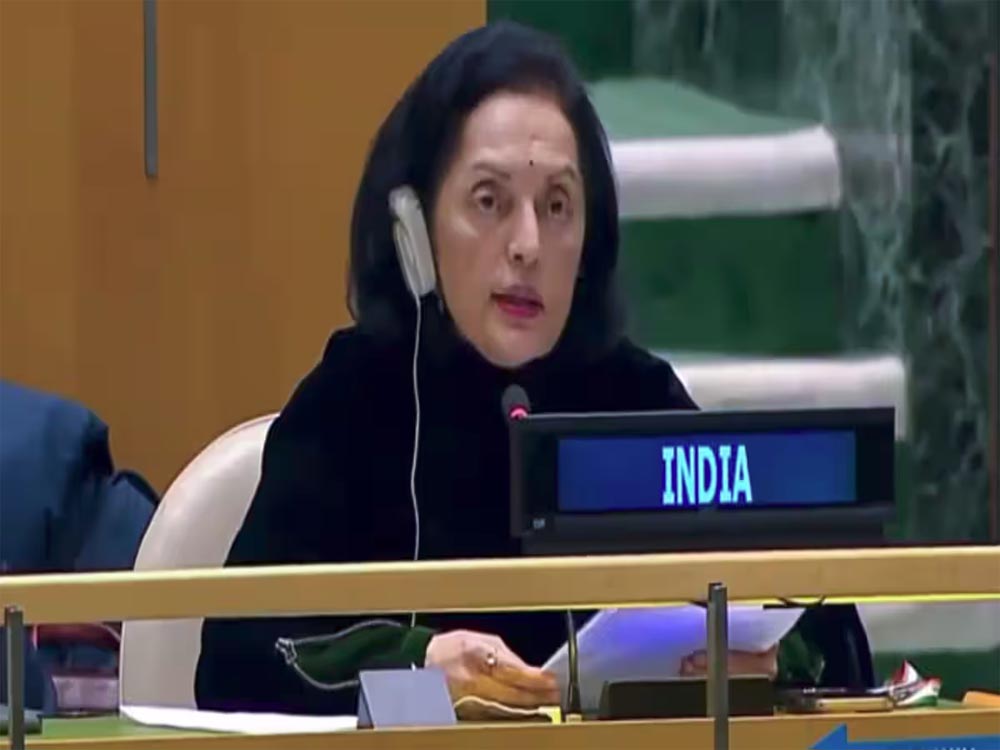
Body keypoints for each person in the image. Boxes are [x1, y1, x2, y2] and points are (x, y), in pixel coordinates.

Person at [196, 21, 870, 717]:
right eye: (489, 202)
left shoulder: (634, 399)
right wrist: (415, 669)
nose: (528, 244)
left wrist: (768, 660)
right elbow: (234, 667)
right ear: (415, 229)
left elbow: (831, 636)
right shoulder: (352, 403)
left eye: (557, 206)